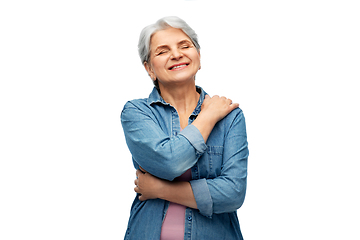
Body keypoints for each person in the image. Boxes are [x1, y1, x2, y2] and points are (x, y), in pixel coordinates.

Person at [121, 16, 249, 240]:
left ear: (198, 57)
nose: (176, 54)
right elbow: (170, 162)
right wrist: (208, 116)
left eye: (184, 46)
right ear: (149, 68)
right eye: (162, 51)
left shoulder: (230, 116)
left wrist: (160, 190)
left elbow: (233, 194)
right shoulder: (137, 112)